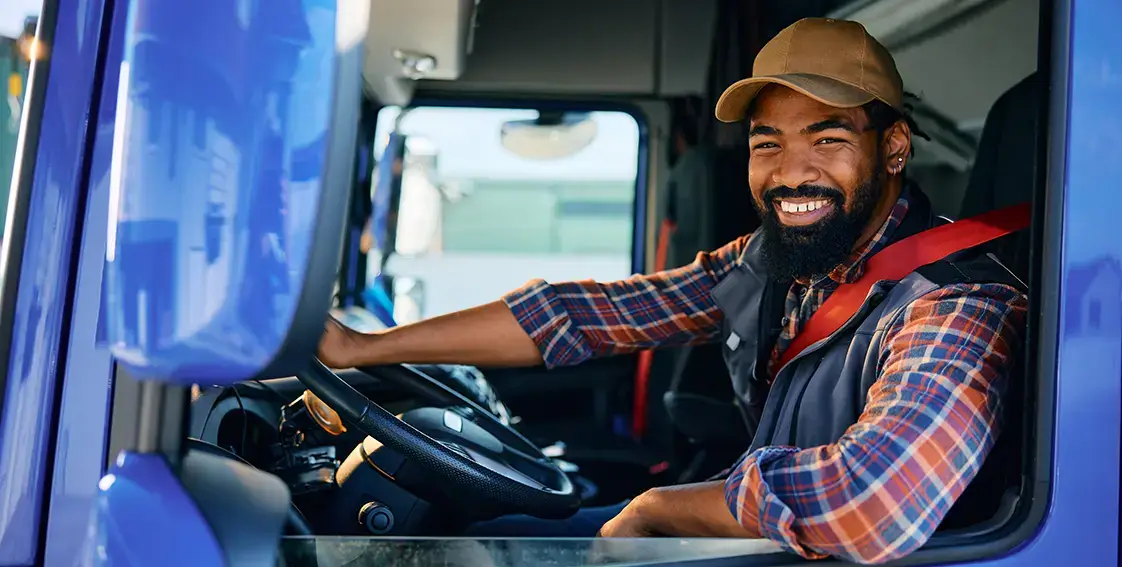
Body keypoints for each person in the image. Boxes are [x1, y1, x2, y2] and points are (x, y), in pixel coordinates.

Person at [318, 17, 1027, 564]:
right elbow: (583, 316)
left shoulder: (957, 303)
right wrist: (363, 346)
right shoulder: (773, 261)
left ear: (895, 148)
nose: (790, 172)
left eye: (828, 138)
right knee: (475, 537)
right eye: (766, 142)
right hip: (756, 546)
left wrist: (660, 506)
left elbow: (872, 502)